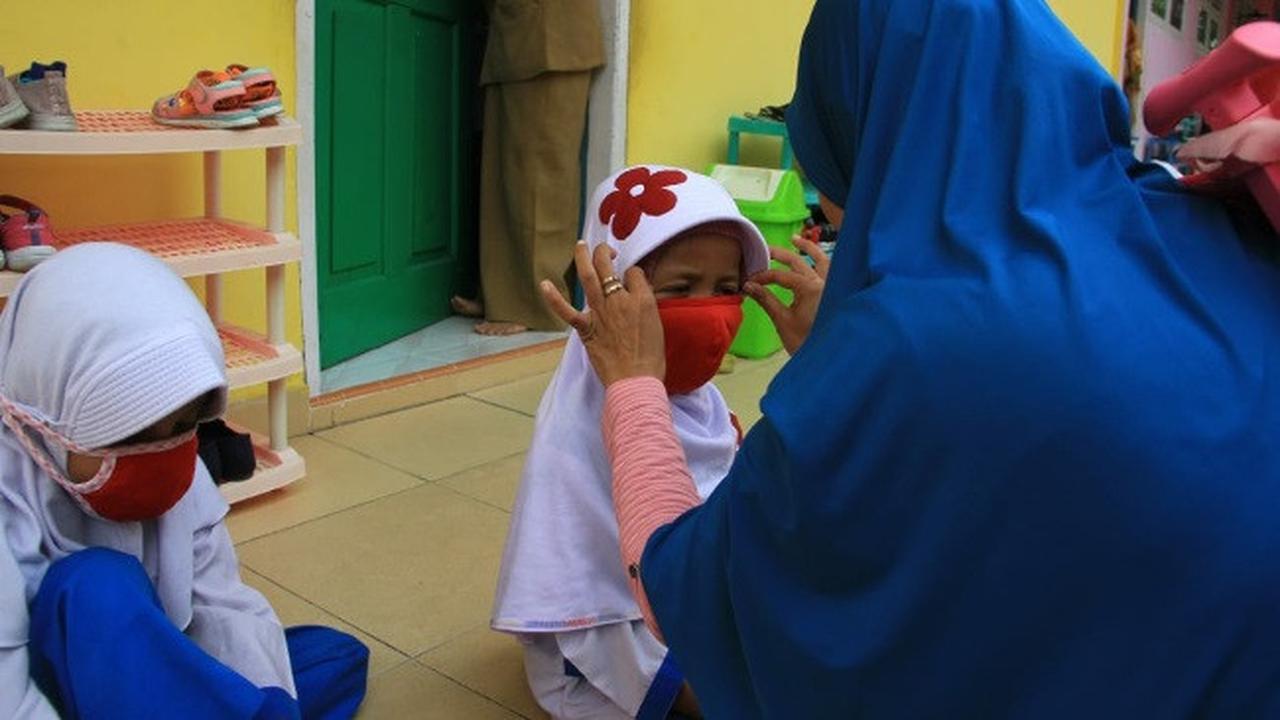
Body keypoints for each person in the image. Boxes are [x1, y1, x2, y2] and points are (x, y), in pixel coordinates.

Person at [542, 0, 1280, 717]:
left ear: (854, 110)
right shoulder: (1210, 225)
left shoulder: (908, 346)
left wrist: (634, 382)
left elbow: (692, 592)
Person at [0, 243, 369, 719]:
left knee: (335, 655)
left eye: (180, 427)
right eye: (129, 433)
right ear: (43, 415)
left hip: (148, 675)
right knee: (96, 586)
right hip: (41, 689)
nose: (158, 455)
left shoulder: (183, 469)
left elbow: (221, 605)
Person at [493, 166, 770, 719]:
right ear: (613, 298)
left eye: (727, 290)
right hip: (605, 621)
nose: (710, 310)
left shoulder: (706, 405)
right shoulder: (583, 418)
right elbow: (594, 570)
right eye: (680, 289)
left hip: (684, 584)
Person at [451, 0, 605, 336]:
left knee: (541, 178)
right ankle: (502, 296)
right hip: (522, 35)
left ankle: (534, 304)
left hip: (550, 41)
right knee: (504, 175)